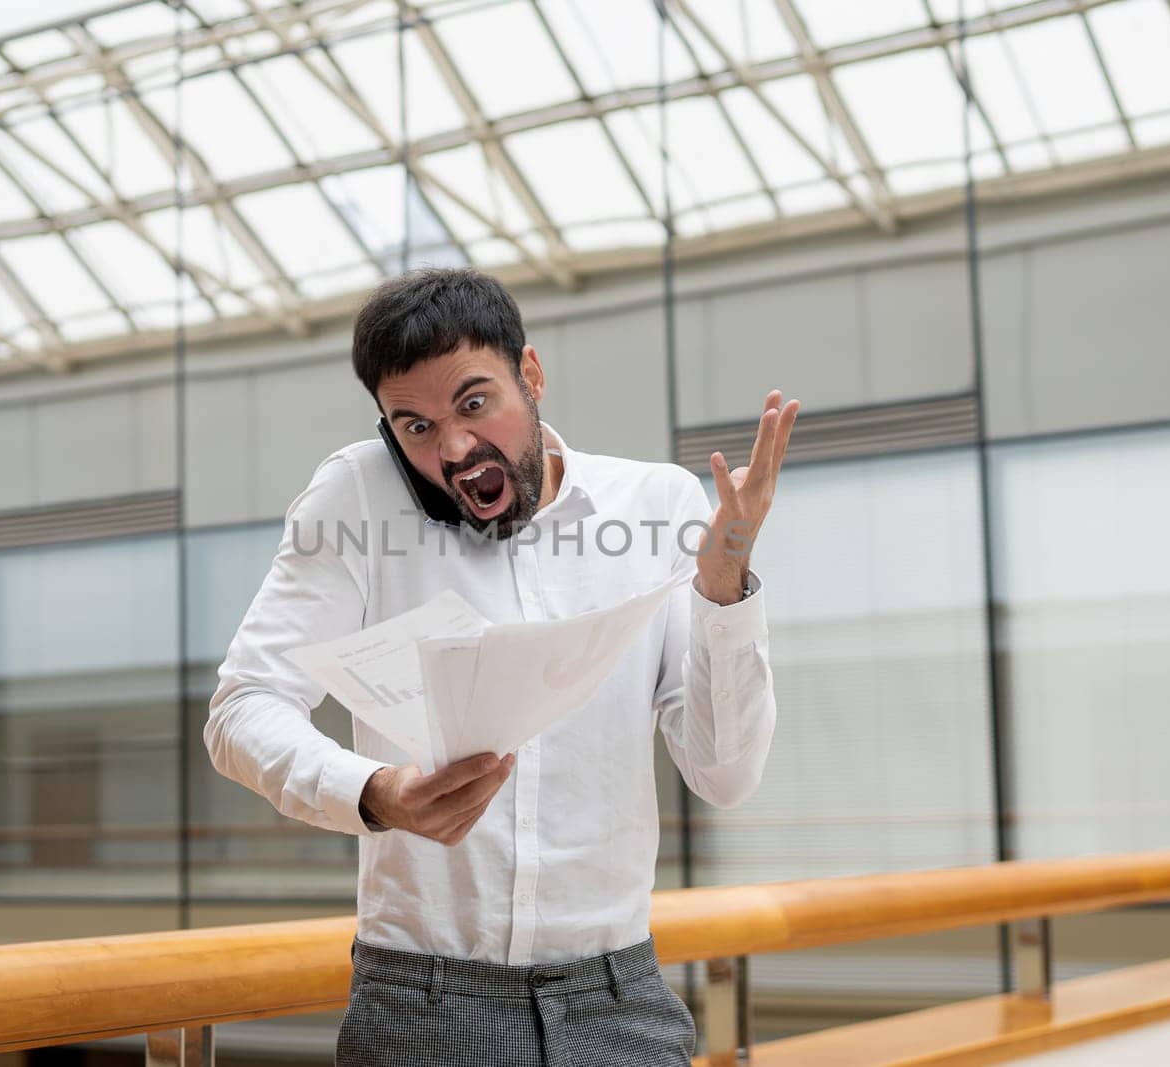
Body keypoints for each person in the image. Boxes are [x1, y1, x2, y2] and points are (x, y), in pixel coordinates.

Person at [205, 267, 797, 1066]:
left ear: (532, 374)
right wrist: (376, 793)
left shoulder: (657, 507)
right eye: (412, 425)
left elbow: (725, 774)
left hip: (620, 1004)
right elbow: (244, 707)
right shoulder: (355, 497)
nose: (452, 448)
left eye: (474, 403)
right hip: (422, 1008)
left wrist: (723, 590)